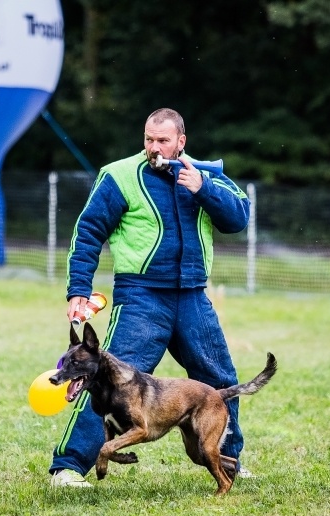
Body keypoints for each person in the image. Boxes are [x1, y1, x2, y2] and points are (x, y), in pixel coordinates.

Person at [49, 108, 252, 487]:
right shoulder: (119, 175)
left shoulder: (205, 175)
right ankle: (68, 467)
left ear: (181, 142)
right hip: (141, 297)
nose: (153, 148)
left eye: (162, 141)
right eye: (148, 139)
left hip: (193, 297)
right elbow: (88, 231)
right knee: (103, 378)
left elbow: (239, 218)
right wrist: (78, 288)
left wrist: (203, 188)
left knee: (220, 379)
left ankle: (230, 463)